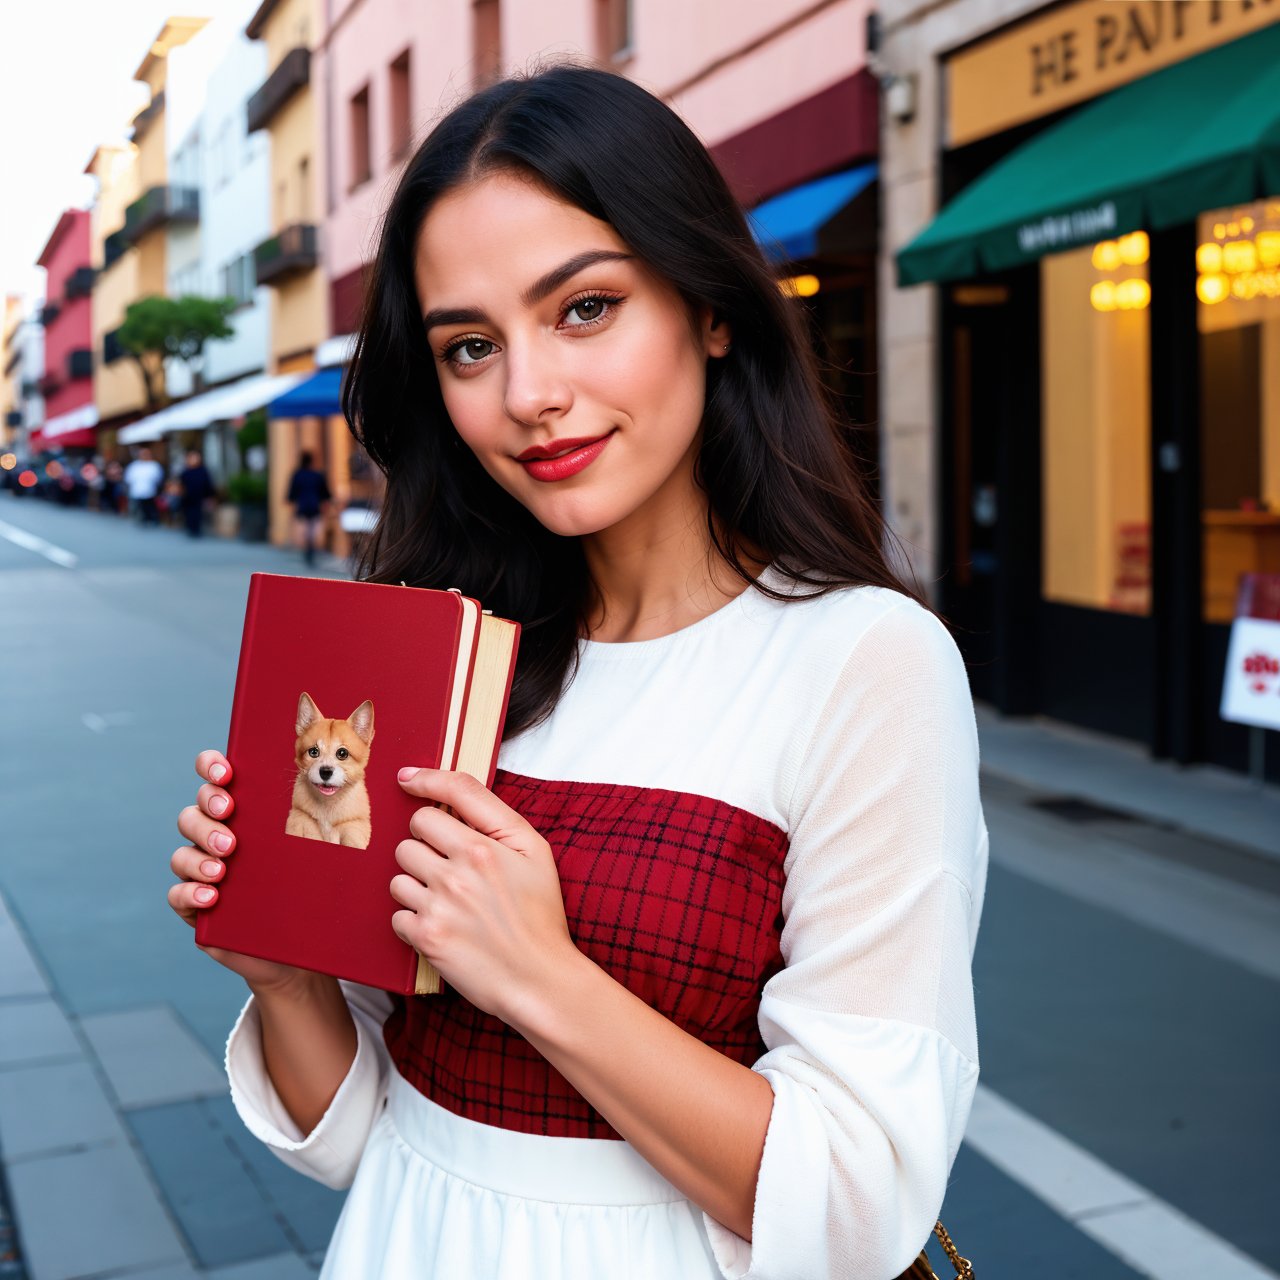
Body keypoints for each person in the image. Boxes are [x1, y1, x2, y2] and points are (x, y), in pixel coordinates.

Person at [168, 65, 988, 1280]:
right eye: (467, 345)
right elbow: (370, 1137)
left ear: (709, 306)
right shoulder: (434, 648)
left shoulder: (865, 660)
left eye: (585, 308)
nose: (529, 396)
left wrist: (536, 970)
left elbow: (860, 1203)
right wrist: (285, 975)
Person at [286, 450, 332, 565]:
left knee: (305, 530)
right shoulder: (317, 475)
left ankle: (308, 550)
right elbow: (325, 492)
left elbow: (292, 492)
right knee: (312, 529)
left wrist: (291, 501)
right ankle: (311, 549)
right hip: (315, 505)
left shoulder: (297, 475)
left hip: (302, 505)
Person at [178, 448, 215, 538]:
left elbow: (207, 484)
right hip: (188, 496)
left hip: (199, 496)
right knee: (189, 513)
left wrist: (209, 495)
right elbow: (181, 484)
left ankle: (196, 529)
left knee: (197, 513)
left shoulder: (203, 471)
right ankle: (190, 528)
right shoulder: (185, 471)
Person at [124, 445, 165, 526]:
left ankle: (153, 519)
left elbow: (158, 478)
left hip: (150, 490)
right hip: (137, 490)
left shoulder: (154, 465)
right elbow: (128, 478)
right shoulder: (134, 465)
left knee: (150, 505)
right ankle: (143, 519)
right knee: (140, 506)